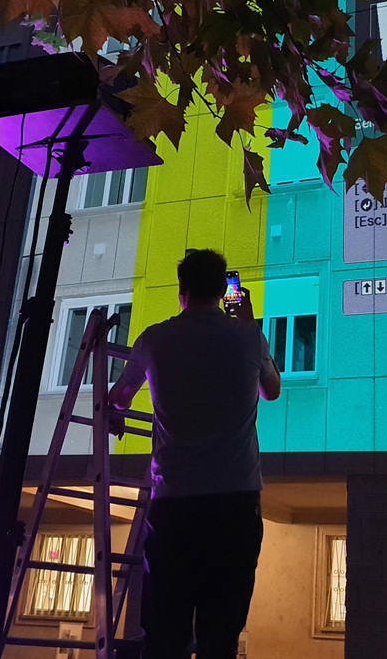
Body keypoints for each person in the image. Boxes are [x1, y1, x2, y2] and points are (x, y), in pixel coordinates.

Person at [109, 248, 281, 659]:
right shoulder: (248, 337)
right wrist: (247, 325)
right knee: (220, 633)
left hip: (175, 501)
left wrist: (114, 413)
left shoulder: (155, 339)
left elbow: (119, 397)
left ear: (181, 289)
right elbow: (271, 390)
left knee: (166, 628)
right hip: (235, 501)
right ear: (224, 291)